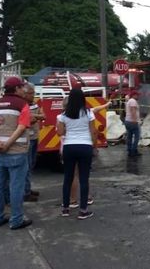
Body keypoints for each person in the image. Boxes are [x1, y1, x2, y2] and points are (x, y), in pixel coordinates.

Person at [0, 76, 33, 230]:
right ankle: (16, 220)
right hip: (17, 152)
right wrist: (7, 144)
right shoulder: (22, 104)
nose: (24, 90)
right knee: (16, 186)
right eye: (21, 87)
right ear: (17, 89)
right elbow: (22, 126)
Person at [57, 88, 98, 220]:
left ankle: (65, 208)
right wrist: (94, 147)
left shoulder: (63, 115)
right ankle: (83, 210)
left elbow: (60, 132)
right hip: (85, 146)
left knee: (68, 178)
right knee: (84, 178)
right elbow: (94, 132)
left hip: (69, 147)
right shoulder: (88, 113)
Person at [23, 83, 44, 202]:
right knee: (26, 165)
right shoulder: (22, 105)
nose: (33, 95)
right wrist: (37, 116)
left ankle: (27, 188)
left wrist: (36, 116)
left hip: (35, 137)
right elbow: (29, 118)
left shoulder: (34, 104)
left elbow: (43, 116)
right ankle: (25, 192)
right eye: (31, 93)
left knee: (31, 164)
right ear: (24, 93)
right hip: (27, 139)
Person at [124, 90, 141, 157]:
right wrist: (135, 120)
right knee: (137, 137)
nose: (138, 96)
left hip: (128, 121)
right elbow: (133, 111)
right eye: (137, 95)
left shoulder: (129, 101)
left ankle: (129, 150)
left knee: (129, 136)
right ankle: (134, 151)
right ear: (134, 95)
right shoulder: (133, 101)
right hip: (132, 121)